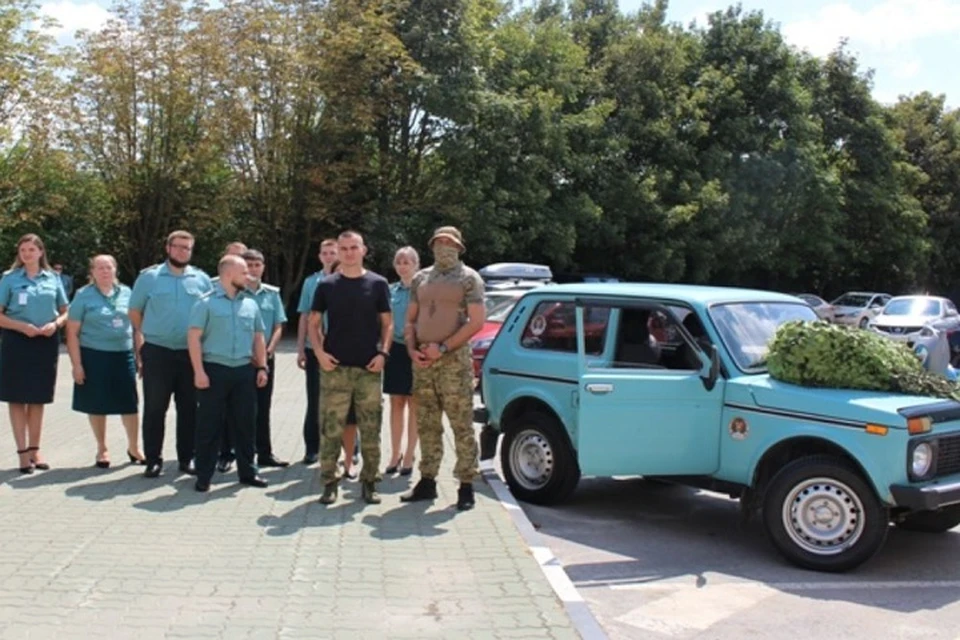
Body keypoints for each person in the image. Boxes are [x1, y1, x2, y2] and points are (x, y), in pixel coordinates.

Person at [401, 226, 485, 511]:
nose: (443, 247)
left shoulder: (469, 279)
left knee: (461, 424)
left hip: (454, 362)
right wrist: (412, 349)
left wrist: (445, 348)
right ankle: (427, 481)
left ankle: (466, 485)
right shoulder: (420, 278)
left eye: (449, 243)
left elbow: (476, 322)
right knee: (427, 424)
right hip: (423, 362)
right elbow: (410, 319)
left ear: (459, 247)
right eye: (439, 242)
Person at [309, 231, 391, 505]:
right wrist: (319, 352)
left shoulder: (378, 284)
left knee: (370, 430)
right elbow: (313, 322)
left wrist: (383, 353)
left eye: (353, 247)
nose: (348, 252)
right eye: (343, 248)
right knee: (330, 430)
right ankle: (329, 483)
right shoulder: (327, 285)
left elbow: (388, 324)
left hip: (369, 368)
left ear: (363, 250)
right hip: (335, 369)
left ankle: (370, 483)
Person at [129, 230, 213, 478]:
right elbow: (134, 311)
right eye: (178, 247)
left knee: (189, 408)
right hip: (158, 351)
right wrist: (150, 333)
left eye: (187, 248)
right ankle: (153, 459)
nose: (182, 252)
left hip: (190, 353)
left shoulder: (201, 279)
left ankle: (187, 458)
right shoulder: (149, 278)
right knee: (155, 408)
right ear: (168, 248)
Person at [188, 255, 270, 492]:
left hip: (244, 371)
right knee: (209, 425)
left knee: (246, 425)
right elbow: (193, 338)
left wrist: (262, 366)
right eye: (243, 272)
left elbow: (258, 337)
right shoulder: (205, 303)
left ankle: (248, 473)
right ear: (227, 274)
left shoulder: (250, 304)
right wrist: (199, 372)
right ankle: (204, 475)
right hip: (214, 370)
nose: (249, 276)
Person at [65, 255, 145, 468]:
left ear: (115, 270)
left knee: (129, 403)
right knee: (97, 404)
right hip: (94, 356)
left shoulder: (128, 293)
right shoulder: (83, 295)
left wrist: (140, 355)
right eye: (99, 268)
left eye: (108, 267)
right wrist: (77, 365)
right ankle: (102, 448)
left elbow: (137, 328)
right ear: (92, 272)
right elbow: (72, 332)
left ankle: (134, 447)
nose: (104, 271)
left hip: (123, 355)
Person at [0, 234, 69, 473]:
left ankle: (35, 449)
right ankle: (21, 453)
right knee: (17, 397)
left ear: (41, 252)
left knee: (38, 398)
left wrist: (57, 324)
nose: (27, 254)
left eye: (31, 249)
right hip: (17, 341)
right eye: (23, 250)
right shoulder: (9, 279)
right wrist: (21, 327)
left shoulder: (53, 279)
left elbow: (65, 311)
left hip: (45, 341)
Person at [242, 248, 289, 467]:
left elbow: (279, 325)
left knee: (263, 407)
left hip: (265, 360)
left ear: (263, 267)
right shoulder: (236, 292)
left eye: (256, 265)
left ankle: (264, 453)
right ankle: (241, 454)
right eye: (248, 265)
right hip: (241, 359)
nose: (252, 269)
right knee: (242, 409)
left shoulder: (272, 294)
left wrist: (268, 351)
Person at [296, 239, 338, 464]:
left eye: (333, 252)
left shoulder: (351, 280)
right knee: (315, 400)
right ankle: (312, 447)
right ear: (320, 256)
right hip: (315, 349)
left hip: (343, 350)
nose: (329, 256)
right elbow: (304, 315)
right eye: (325, 253)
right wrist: (301, 348)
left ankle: (352, 447)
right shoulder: (311, 282)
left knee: (345, 401)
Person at [383, 246, 419, 476]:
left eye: (407, 261)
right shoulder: (389, 290)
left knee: (415, 403)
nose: (403, 265)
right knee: (396, 403)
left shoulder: (423, 289)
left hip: (416, 349)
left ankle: (409, 455)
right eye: (399, 261)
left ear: (416, 264)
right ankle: (395, 453)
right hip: (395, 349)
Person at [214, 241, 248, 473]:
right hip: (217, 362)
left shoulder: (249, 293)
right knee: (219, 414)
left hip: (245, 362)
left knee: (246, 414)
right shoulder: (210, 292)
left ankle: (247, 461)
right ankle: (222, 454)